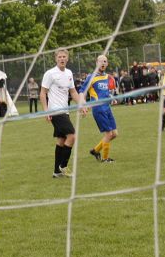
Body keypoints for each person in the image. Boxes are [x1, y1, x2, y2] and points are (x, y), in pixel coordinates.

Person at [40, 48, 87, 177]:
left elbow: (73, 92)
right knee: (72, 136)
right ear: (56, 59)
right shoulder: (50, 74)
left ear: (67, 58)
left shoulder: (69, 73)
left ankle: (56, 171)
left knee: (61, 140)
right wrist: (45, 111)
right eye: (59, 57)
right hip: (55, 111)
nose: (62, 59)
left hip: (65, 111)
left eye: (64, 57)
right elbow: (43, 93)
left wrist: (81, 105)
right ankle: (63, 166)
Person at [82, 54, 119, 163]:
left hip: (107, 108)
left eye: (105, 61)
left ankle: (95, 150)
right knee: (108, 134)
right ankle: (105, 158)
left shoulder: (107, 77)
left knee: (115, 134)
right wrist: (84, 104)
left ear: (107, 64)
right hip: (98, 109)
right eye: (101, 61)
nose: (103, 63)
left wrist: (111, 98)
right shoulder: (91, 77)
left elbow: (105, 92)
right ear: (96, 63)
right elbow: (82, 92)